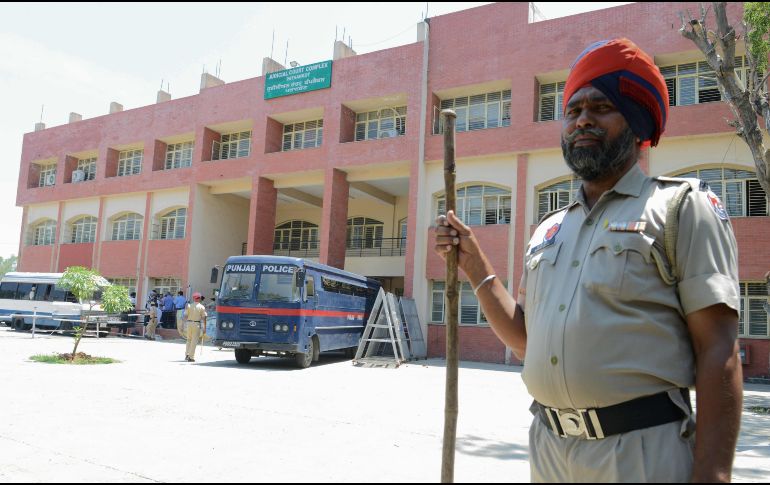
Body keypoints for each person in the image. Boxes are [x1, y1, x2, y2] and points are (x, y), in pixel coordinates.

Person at [435, 38, 742, 483]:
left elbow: (718, 349)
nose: (582, 120)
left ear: (635, 122)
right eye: (573, 111)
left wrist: (712, 476)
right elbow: (526, 340)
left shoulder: (680, 207)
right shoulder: (549, 229)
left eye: (600, 108)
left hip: (639, 455)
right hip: (549, 450)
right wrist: (475, 264)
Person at [183, 292, 207, 362]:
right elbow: (204, 318)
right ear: (199, 298)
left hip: (189, 323)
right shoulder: (202, 307)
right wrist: (204, 327)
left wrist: (184, 324)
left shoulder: (189, 306)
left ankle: (187, 354)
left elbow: (185, 316)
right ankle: (191, 357)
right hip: (196, 324)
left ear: (193, 298)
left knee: (189, 340)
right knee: (194, 341)